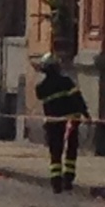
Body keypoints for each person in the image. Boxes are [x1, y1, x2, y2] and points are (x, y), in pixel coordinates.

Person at [36, 52, 89, 193]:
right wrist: (86, 114)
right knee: (71, 149)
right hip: (70, 121)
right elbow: (78, 98)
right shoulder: (66, 82)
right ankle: (68, 179)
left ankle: (56, 182)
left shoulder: (41, 88)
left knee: (55, 152)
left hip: (53, 123)